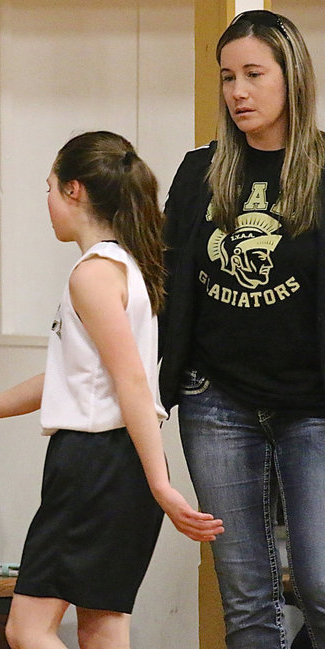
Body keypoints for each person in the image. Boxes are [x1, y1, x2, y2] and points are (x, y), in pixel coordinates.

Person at [0, 131, 224, 649]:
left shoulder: (93, 275)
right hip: (122, 466)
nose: (46, 200)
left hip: (95, 465)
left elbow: (132, 382)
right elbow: (76, 378)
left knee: (26, 629)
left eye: (49, 187)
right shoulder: (128, 267)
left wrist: (161, 485)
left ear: (74, 190)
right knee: (103, 629)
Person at [160, 10, 325, 649]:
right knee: (247, 598)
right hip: (217, 401)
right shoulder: (200, 172)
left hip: (312, 405)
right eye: (228, 77)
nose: (238, 92)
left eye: (254, 74)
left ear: (292, 77)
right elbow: (165, 279)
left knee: (320, 581)